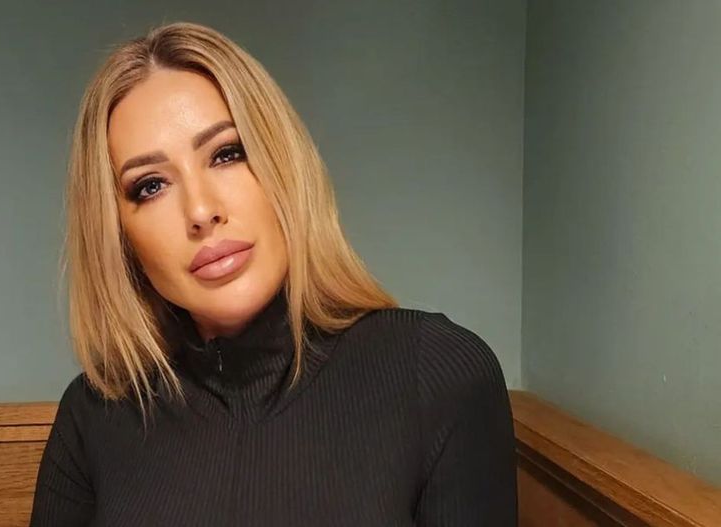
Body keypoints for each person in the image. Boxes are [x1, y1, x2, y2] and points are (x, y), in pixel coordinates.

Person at [30, 21, 516, 526]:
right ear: (119, 236)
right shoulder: (94, 416)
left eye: (227, 153)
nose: (201, 211)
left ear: (284, 165)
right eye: (150, 186)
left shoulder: (436, 372)